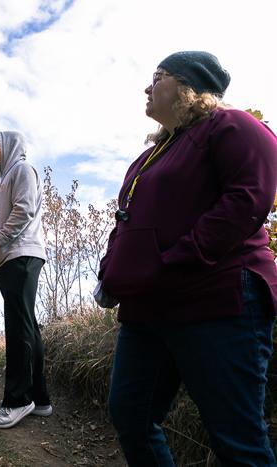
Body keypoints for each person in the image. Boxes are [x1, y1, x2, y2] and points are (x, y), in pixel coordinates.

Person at [99, 51, 277, 466]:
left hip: (217, 298)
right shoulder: (150, 156)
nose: (146, 87)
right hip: (148, 308)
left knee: (236, 439)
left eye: (156, 77)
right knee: (131, 416)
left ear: (187, 87)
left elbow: (247, 200)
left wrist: (178, 258)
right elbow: (126, 221)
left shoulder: (235, 127)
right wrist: (110, 274)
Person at [0, 131, 52, 429]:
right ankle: (39, 397)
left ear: (9, 146)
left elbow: (24, 209)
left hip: (21, 254)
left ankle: (17, 400)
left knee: (17, 326)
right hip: (12, 257)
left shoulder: (22, 169)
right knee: (26, 323)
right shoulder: (6, 177)